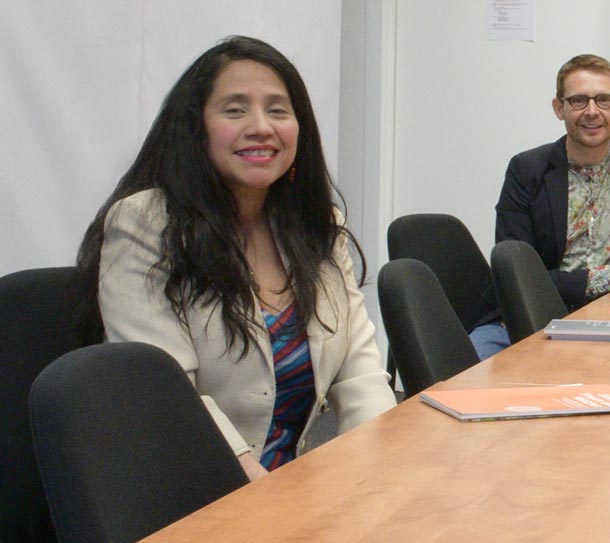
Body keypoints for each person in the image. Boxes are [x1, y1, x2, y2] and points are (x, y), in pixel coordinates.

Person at [77, 36, 394, 481]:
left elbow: (358, 373)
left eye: (278, 110)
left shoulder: (314, 224)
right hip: (192, 491)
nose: (261, 126)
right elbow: (171, 394)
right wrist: (268, 504)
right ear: (196, 128)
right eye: (235, 109)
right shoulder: (145, 224)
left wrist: (381, 474)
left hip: (292, 492)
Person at [470, 54, 610, 357]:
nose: (592, 112)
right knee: (468, 376)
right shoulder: (527, 170)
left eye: (604, 100)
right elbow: (518, 275)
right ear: (559, 108)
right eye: (579, 101)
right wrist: (608, 277)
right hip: (523, 320)